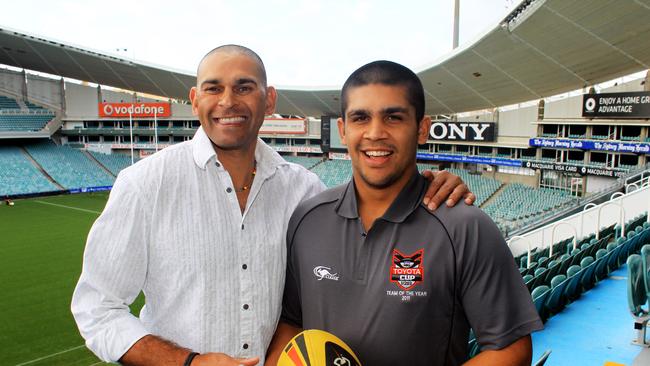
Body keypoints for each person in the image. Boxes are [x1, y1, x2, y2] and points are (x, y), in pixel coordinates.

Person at [71, 46, 475, 366]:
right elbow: (96, 309)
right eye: (213, 88)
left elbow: (371, 224)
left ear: (269, 100)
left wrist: (425, 183)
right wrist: (187, 362)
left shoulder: (303, 190)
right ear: (195, 100)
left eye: (245, 87)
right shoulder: (145, 184)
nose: (228, 101)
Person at [267, 61, 543, 366]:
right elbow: (291, 324)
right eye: (361, 118)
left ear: (422, 129)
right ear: (343, 130)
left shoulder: (465, 227)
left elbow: (512, 349)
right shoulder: (308, 218)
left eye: (393, 117)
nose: (375, 133)